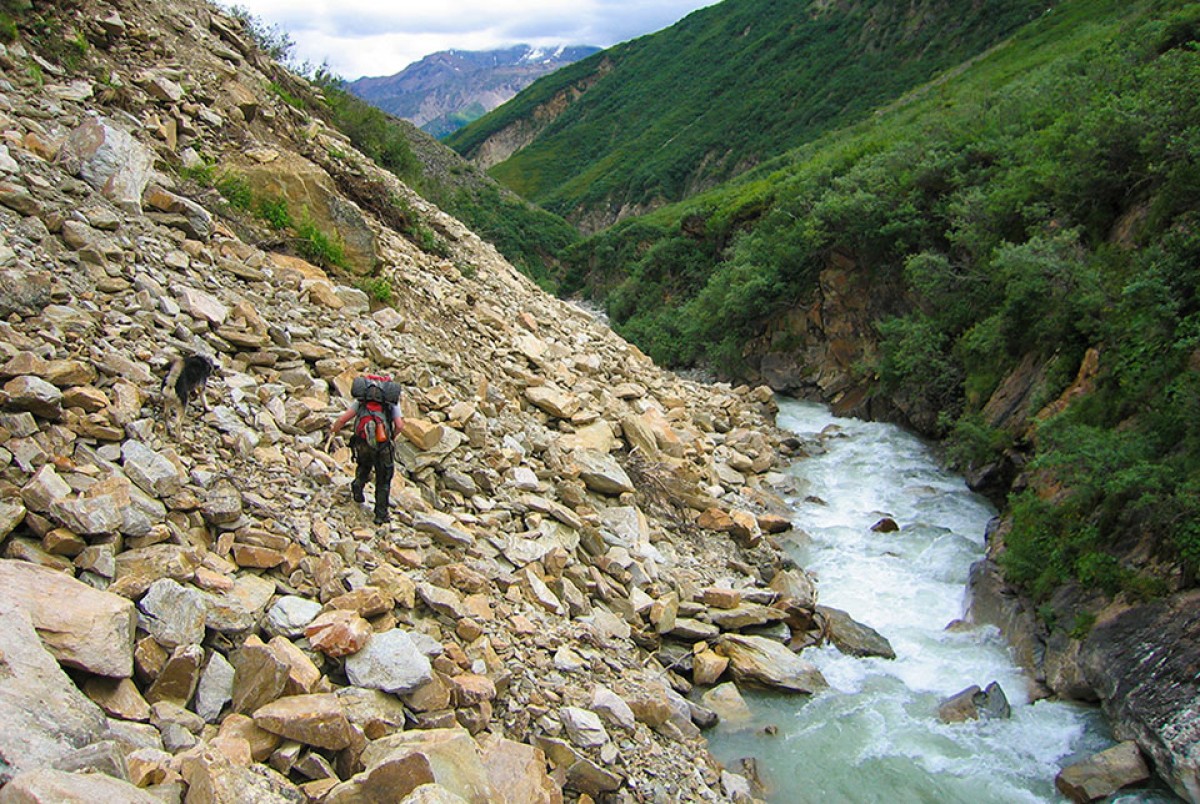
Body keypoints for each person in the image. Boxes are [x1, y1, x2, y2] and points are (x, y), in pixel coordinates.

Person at [327, 383, 404, 524]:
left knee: (363, 467)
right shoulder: (391, 403)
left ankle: (357, 487)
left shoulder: (361, 402)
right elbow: (399, 425)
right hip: (383, 446)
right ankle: (381, 515)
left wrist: (334, 431)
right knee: (383, 480)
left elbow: (342, 419)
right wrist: (392, 437)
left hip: (362, 443)